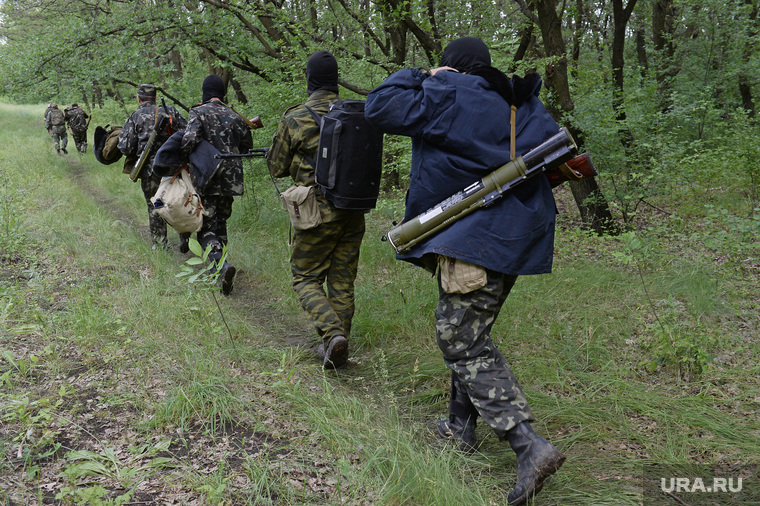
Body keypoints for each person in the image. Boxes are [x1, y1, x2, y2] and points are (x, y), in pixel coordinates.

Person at [364, 37, 565, 505]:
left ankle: (528, 445)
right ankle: (459, 427)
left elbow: (378, 107)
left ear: (451, 67)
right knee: (471, 329)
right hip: (517, 237)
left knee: (460, 337)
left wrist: (424, 75)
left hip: (474, 238)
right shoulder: (520, 103)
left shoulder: (447, 92)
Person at [266, 50, 366, 369]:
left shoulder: (296, 116)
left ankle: (333, 334)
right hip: (354, 209)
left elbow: (276, 166)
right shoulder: (359, 113)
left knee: (304, 277)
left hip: (317, 212)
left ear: (308, 80)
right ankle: (339, 347)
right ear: (336, 81)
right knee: (342, 281)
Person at [179, 75, 253, 295]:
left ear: (205, 92)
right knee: (220, 222)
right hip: (231, 179)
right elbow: (247, 146)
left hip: (206, 177)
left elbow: (189, 141)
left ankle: (221, 268)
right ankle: (220, 268)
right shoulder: (235, 115)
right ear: (222, 93)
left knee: (205, 227)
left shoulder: (198, 112)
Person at [118, 84, 187, 250]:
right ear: (155, 98)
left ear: (139, 98)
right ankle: (185, 236)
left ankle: (160, 243)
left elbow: (125, 147)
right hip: (174, 166)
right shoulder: (171, 111)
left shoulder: (136, 116)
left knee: (155, 204)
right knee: (178, 201)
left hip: (150, 169)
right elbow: (187, 134)